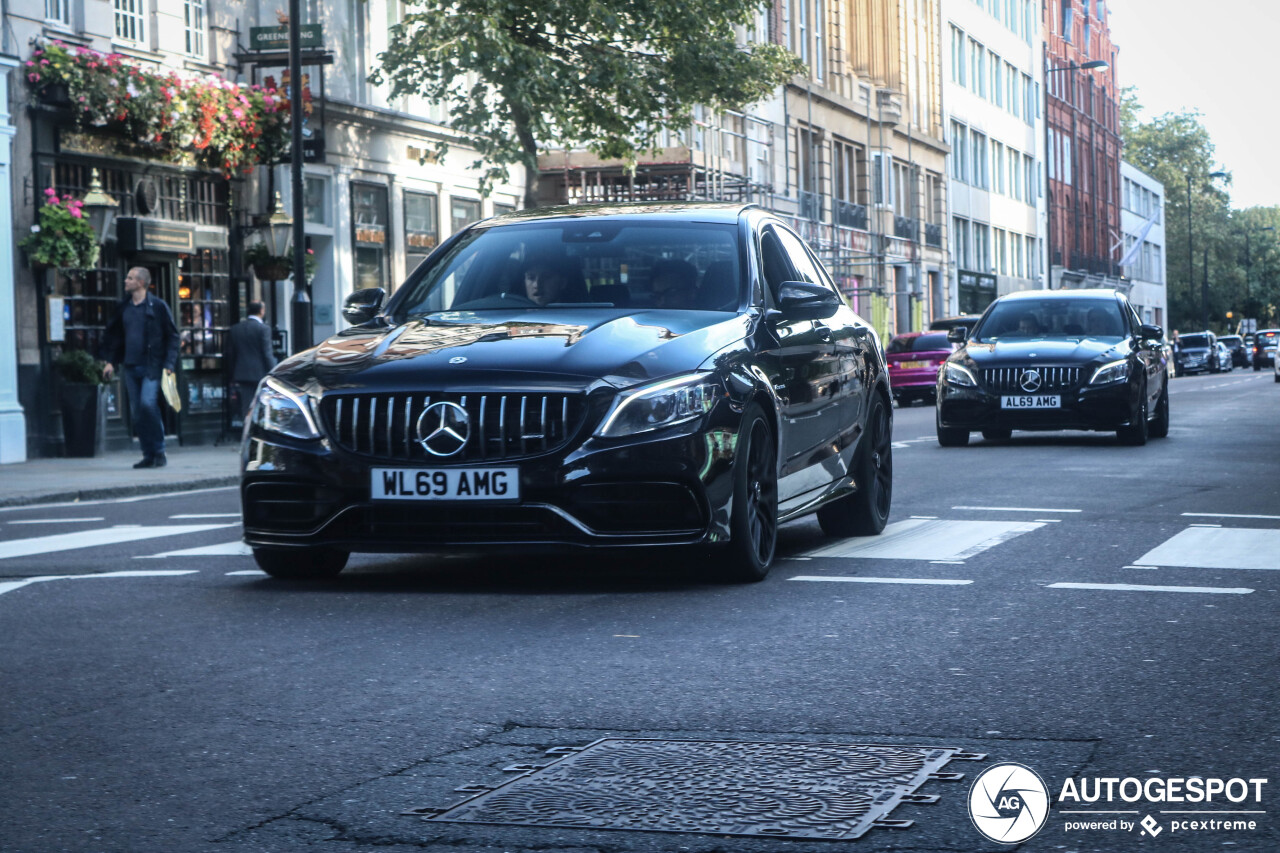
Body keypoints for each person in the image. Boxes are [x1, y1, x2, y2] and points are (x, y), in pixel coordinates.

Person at [98, 266, 180, 469]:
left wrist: (169, 364)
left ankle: (159, 451)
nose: (125, 281)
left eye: (130, 278)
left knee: (147, 405)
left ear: (141, 283)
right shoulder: (123, 307)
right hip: (130, 366)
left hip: (152, 366)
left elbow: (173, 336)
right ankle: (148, 454)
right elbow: (115, 337)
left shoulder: (158, 306)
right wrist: (110, 362)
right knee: (137, 413)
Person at [227, 301, 277, 420]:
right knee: (263, 404)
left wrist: (232, 374)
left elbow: (230, 354)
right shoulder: (264, 329)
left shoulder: (236, 329)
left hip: (242, 373)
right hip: (261, 373)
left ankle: (248, 431)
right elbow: (267, 354)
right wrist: (274, 372)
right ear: (261, 311)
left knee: (247, 405)